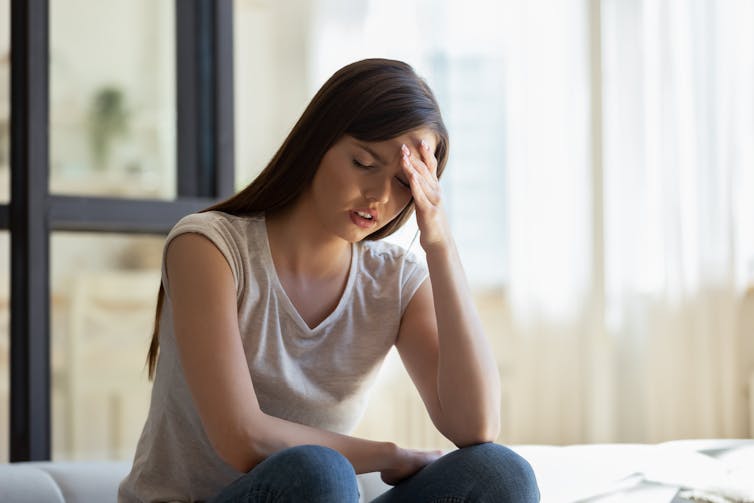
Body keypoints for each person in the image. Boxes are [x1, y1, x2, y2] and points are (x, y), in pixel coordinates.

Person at [118, 58, 539, 502]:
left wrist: (441, 244)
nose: (378, 196)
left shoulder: (394, 280)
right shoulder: (209, 247)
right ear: (318, 143)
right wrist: (391, 455)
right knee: (317, 472)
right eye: (363, 162)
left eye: (402, 181)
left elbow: (475, 425)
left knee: (499, 473)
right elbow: (243, 439)